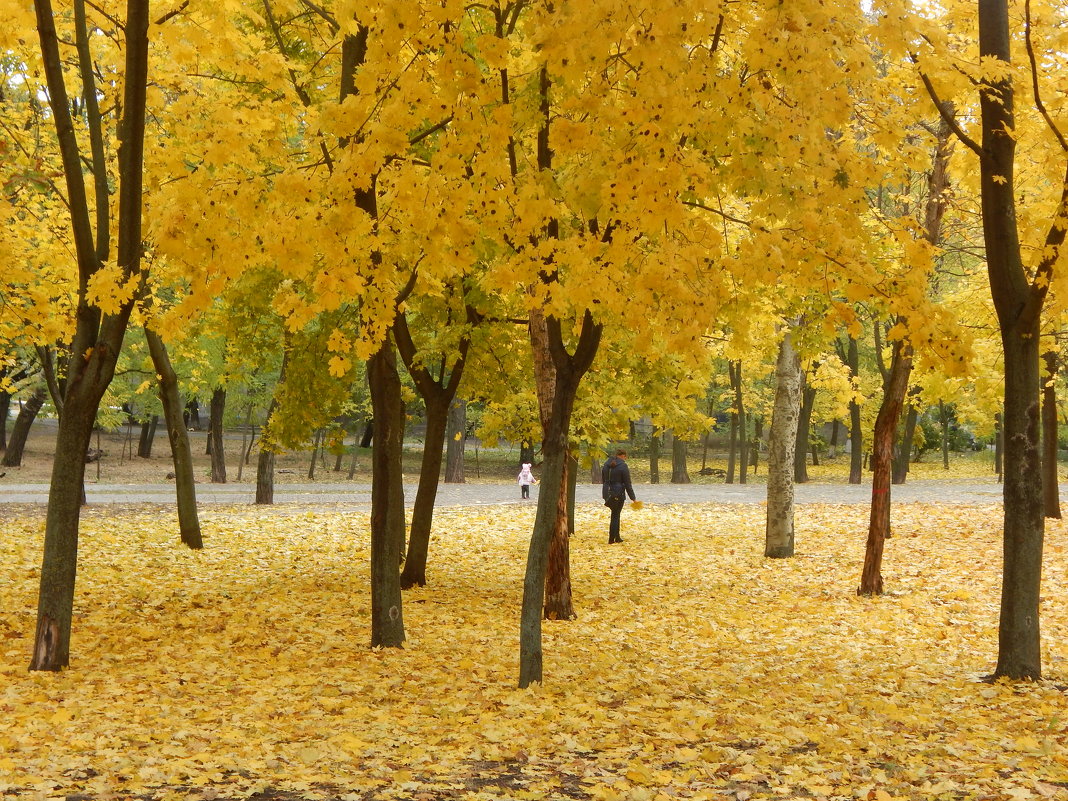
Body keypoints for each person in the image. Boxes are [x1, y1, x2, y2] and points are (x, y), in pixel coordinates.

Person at [601, 449, 636, 543]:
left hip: (607, 492)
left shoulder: (606, 464)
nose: (625, 459)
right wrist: (633, 497)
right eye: (625, 456)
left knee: (614, 513)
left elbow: (603, 479)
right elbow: (627, 483)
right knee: (616, 515)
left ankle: (616, 537)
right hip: (618, 492)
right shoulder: (623, 466)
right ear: (622, 455)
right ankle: (612, 538)